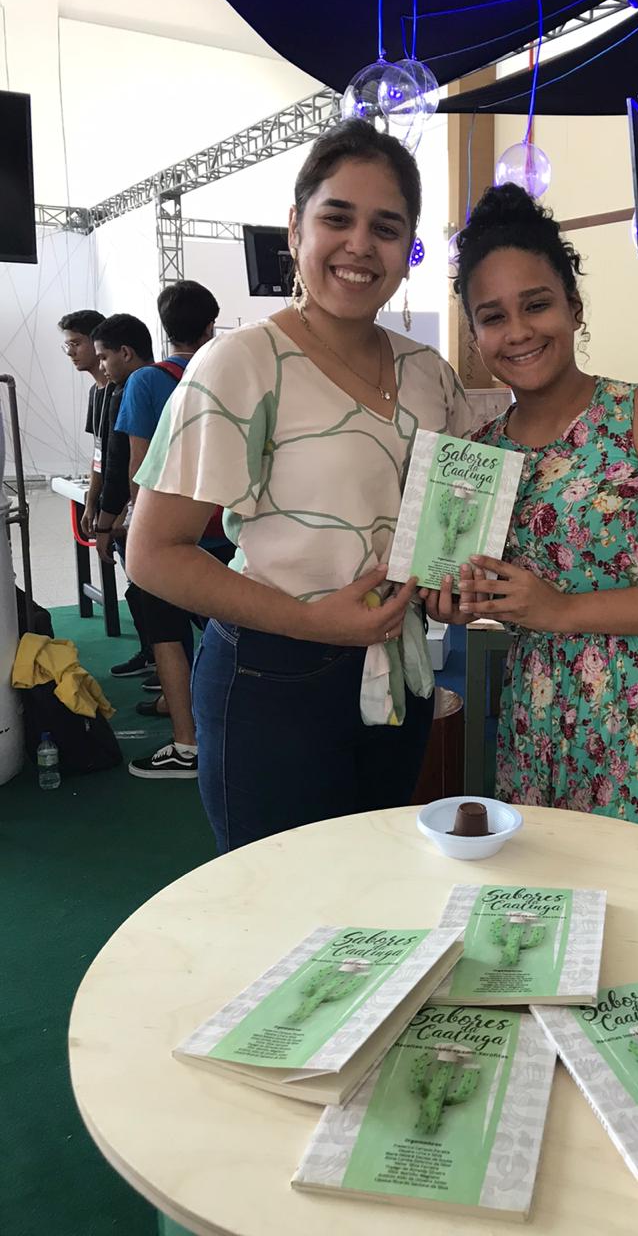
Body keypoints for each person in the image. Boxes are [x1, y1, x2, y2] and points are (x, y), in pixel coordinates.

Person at [127, 120, 470, 850]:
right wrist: (315, 623)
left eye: (385, 227)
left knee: (373, 889)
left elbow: (447, 524)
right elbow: (153, 554)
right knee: (282, 902)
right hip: (271, 678)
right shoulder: (241, 364)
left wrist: (450, 583)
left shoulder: (430, 375)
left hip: (398, 674)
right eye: (336, 218)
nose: (359, 245)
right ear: (295, 228)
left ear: (408, 247)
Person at [428, 184, 638, 857]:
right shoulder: (478, 454)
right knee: (552, 907)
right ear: (475, 335)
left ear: (573, 306)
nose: (519, 331)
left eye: (537, 304)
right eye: (493, 317)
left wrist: (562, 610)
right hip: (540, 726)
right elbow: (471, 586)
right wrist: (455, 601)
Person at [114, 280, 229, 779]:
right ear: (211, 326)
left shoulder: (145, 382)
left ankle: (187, 743)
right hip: (226, 526)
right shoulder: (227, 372)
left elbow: (141, 466)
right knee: (232, 628)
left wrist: (131, 523)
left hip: (167, 537)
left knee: (166, 634)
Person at [88, 314, 156, 675]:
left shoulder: (132, 388)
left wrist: (109, 520)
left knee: (147, 590)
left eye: (103, 356)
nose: (101, 364)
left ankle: (160, 664)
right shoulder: (168, 379)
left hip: (145, 510)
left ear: (125, 352)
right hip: (172, 506)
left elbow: (123, 461)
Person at [58, 309, 109, 540]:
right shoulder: (95, 392)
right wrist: (91, 503)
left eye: (76, 344)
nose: (71, 352)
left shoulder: (124, 389)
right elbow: (99, 453)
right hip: (108, 505)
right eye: (67, 345)